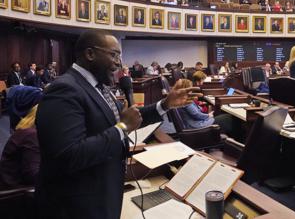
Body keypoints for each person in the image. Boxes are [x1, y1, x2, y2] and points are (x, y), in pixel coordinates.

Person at [34, 30, 200, 219]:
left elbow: (130, 117)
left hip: (102, 193)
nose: (118, 63)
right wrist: (122, 128)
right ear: (90, 54)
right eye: (113, 54)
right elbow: (68, 155)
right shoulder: (64, 89)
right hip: (75, 205)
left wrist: (165, 104)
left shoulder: (100, 87)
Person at [0, 86, 43, 189]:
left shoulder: (25, 129)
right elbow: (33, 176)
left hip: (9, 183)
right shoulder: (32, 135)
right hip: (14, 194)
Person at [176, 79, 243, 140]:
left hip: (197, 122)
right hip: (197, 125)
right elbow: (196, 114)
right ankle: (238, 141)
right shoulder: (185, 100)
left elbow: (196, 112)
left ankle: (232, 140)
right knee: (229, 118)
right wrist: (208, 115)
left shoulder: (181, 97)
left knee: (226, 117)